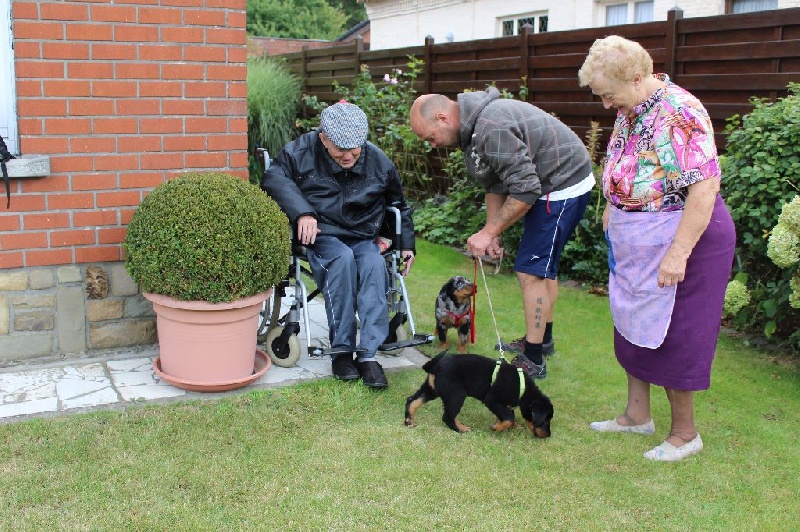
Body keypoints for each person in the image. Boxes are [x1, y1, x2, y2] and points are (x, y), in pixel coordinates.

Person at [578, 35, 736, 461]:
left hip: (687, 237)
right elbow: (629, 165)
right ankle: (636, 416)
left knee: (676, 332)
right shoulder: (631, 108)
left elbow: (704, 188)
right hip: (641, 236)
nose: (606, 105)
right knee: (631, 319)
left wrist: (678, 253)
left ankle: (685, 434)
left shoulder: (677, 112)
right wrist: (613, 206)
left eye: (608, 95)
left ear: (635, 77)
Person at [409, 89, 594, 379]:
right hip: (547, 183)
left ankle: (534, 359)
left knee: (531, 271)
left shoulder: (490, 128)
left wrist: (488, 232)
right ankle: (542, 340)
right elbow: (494, 183)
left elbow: (526, 189)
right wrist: (492, 232)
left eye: (430, 137)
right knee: (542, 267)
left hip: (562, 183)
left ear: (443, 118)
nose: (432, 145)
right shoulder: (471, 130)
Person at [262, 102, 416, 389]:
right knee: (342, 260)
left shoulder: (378, 160)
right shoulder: (299, 152)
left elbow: (398, 204)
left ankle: (368, 355)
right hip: (321, 234)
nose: (348, 157)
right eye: (340, 150)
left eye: (355, 150)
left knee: (373, 264)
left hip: (362, 234)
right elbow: (273, 178)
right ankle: (342, 351)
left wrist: (405, 244)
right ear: (323, 137)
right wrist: (303, 212)